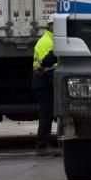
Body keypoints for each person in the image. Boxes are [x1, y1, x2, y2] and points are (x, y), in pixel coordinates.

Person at [32, 20, 58, 155]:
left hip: (45, 82)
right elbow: (44, 69)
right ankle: (42, 145)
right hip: (43, 83)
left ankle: (44, 143)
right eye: (56, 24)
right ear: (50, 26)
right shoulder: (47, 42)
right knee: (46, 114)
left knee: (48, 113)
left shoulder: (53, 40)